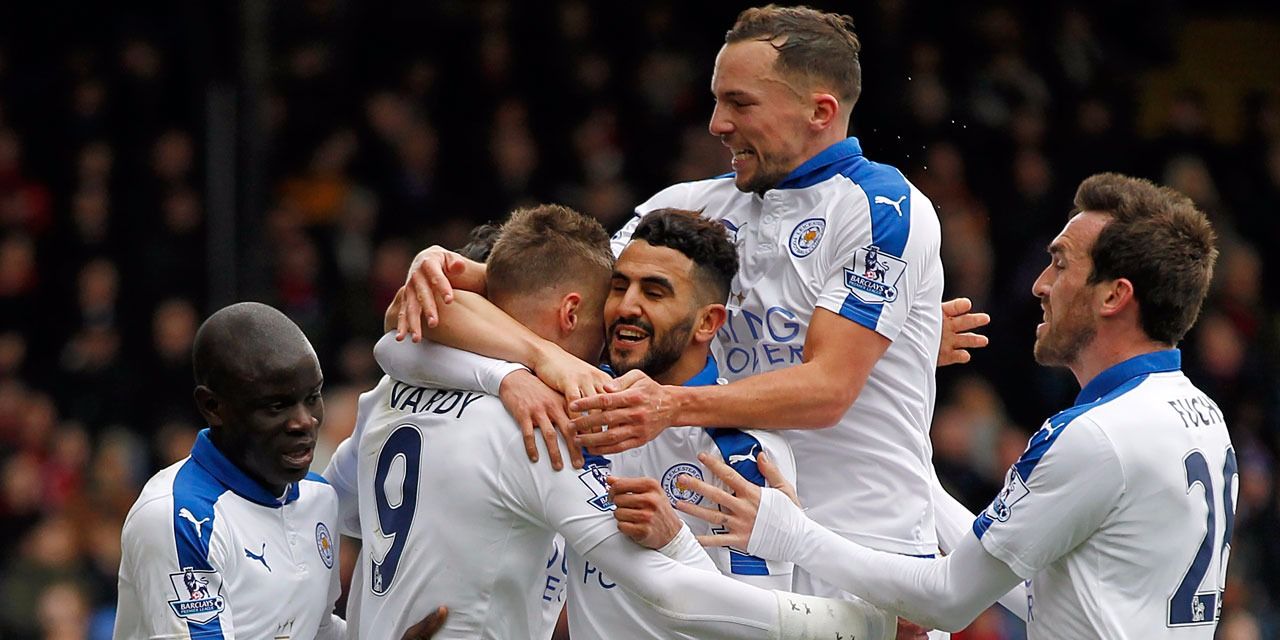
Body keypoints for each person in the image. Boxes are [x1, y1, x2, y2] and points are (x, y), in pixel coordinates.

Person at [393, 9, 981, 628]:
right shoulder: (684, 208)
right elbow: (504, 304)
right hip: (717, 526)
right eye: (716, 100)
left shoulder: (883, 207)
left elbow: (829, 389)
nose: (717, 124)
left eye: (740, 103)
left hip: (861, 553)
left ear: (820, 111)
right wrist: (485, 316)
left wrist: (670, 406)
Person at [679, 173, 1234, 639]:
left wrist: (788, 533)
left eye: (1061, 264)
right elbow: (1054, 592)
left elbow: (948, 599)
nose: (1041, 284)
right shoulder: (1199, 414)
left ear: (1114, 295)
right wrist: (895, 387)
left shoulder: (1094, 436)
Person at [325, 204, 899, 639]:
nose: (625, 307)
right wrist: (508, 374)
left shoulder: (742, 454)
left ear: (707, 323)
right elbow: (408, 327)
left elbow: (744, 624)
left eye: (654, 292)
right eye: (619, 287)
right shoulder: (558, 408)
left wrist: (676, 541)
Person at [113, 302, 446, 640]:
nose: (304, 422)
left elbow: (318, 630)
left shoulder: (321, 498)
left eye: (312, 397)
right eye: (276, 405)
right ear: (213, 407)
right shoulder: (179, 517)